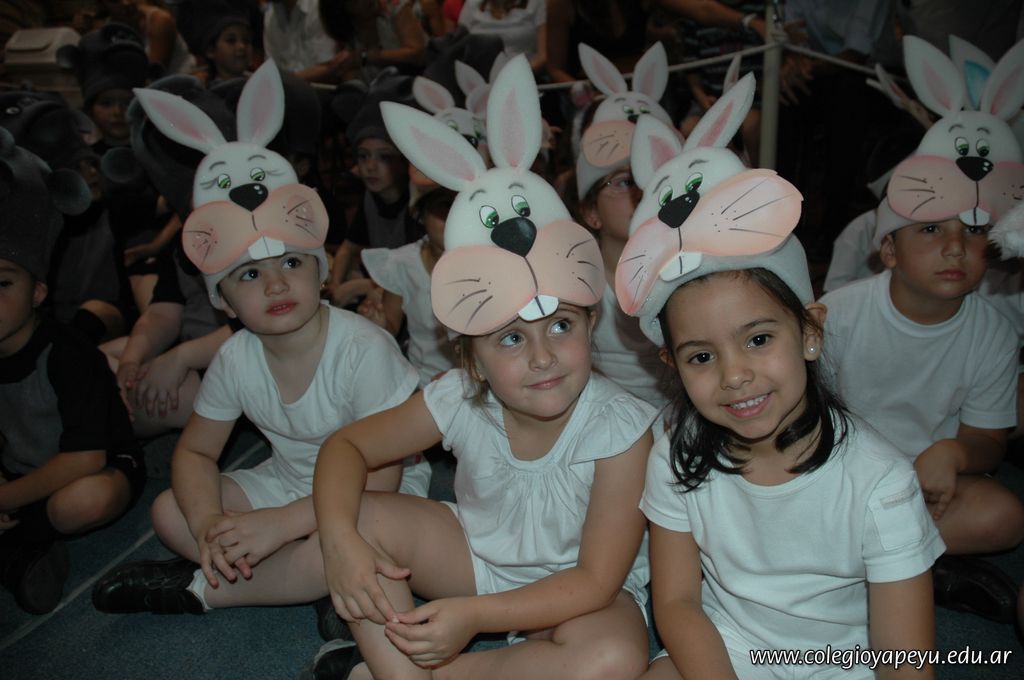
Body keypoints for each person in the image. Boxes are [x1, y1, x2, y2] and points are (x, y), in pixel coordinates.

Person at [311, 55, 655, 679]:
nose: (543, 357)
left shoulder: (623, 429)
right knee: (360, 516)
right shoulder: (458, 395)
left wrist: (472, 616)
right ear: (470, 357)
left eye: (560, 326)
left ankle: (407, 674)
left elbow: (594, 581)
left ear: (590, 322)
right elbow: (346, 448)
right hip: (472, 559)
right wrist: (339, 544)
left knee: (614, 654)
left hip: (576, 597)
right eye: (511, 339)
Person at [614, 89, 942, 678]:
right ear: (671, 364)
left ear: (810, 332)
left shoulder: (880, 482)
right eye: (701, 356)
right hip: (731, 647)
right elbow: (678, 603)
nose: (735, 375)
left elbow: (906, 660)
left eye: (759, 339)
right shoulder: (675, 455)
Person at [819, 35, 1024, 624]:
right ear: (889, 249)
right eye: (931, 230)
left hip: (922, 486)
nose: (955, 247)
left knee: (1004, 515)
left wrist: (954, 453)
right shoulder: (841, 312)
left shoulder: (994, 332)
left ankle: (866, 562)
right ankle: (911, 567)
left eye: (973, 231)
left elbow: (989, 439)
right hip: (837, 476)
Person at [0, 132, 146, 615]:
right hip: (21, 473)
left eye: (2, 283)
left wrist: (7, 497)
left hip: (98, 464)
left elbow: (85, 458)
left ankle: (21, 547)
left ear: (38, 292)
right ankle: (26, 546)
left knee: (82, 501)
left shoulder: (66, 352)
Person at [573, 101, 672, 411]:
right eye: (625, 182)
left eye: (651, 180)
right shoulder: (575, 281)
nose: (641, 192)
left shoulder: (690, 266)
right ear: (591, 213)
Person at [359, 185, 458, 387]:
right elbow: (391, 324)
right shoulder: (403, 263)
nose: (454, 217)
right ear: (419, 214)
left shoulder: (487, 259)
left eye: (460, 206)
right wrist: (379, 322)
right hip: (425, 381)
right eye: (444, 207)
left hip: (478, 380)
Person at [457, 0, 547, 73]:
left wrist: (516, 75)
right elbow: (458, 49)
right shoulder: (472, 3)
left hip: (524, 76)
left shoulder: (536, 2)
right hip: (478, 80)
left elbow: (543, 56)